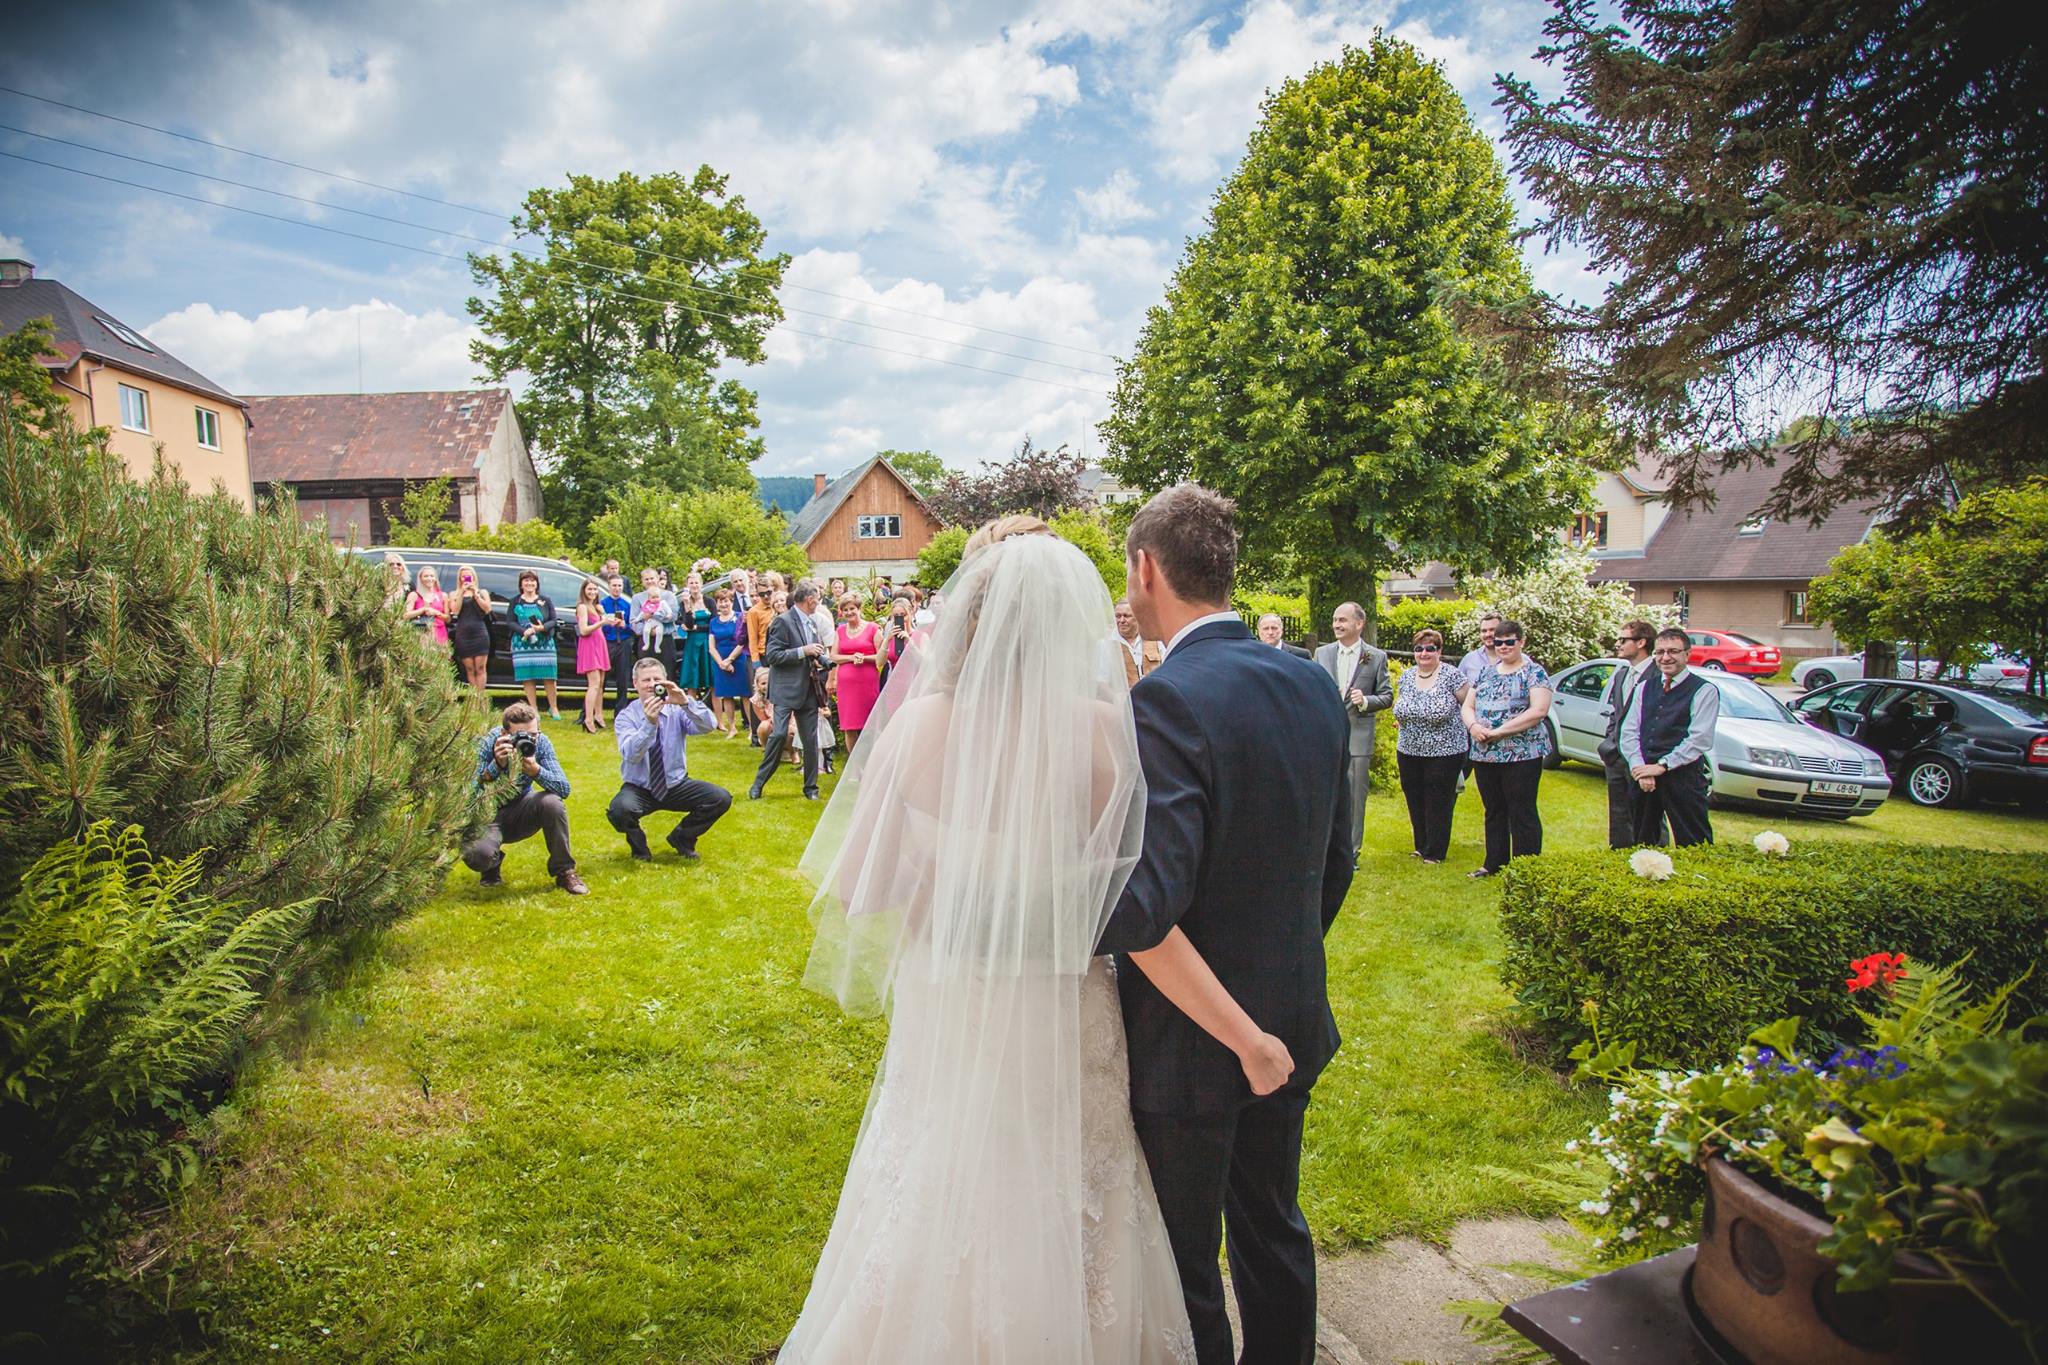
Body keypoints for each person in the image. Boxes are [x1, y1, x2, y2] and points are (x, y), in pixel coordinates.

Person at [787, 515, 1297, 1362]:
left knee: (940, 1173)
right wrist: (1248, 1038)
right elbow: (1139, 923)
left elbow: (859, 886)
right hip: (1063, 1008)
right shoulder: (1101, 733)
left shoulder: (914, 725)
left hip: (951, 998)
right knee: (1067, 1184)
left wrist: (949, 902)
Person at [1094, 484, 1354, 1364]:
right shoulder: (1312, 682)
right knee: (1274, 1224)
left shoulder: (1166, 700)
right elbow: (1338, 858)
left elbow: (1146, 905)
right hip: (1292, 1011)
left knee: (1185, 1259)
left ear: (1145, 568)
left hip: (1191, 1041)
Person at [607, 657, 732, 862]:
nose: (652, 684)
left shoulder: (676, 709)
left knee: (720, 798)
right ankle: (639, 849)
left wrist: (686, 702)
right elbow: (631, 754)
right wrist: (649, 723)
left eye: (657, 679)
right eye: (646, 680)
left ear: (666, 681)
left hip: (675, 784)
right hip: (640, 787)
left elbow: (708, 726)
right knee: (619, 810)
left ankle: (682, 838)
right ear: (635, 684)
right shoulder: (626, 716)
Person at [461, 702, 587, 895]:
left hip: (522, 808)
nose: (527, 740)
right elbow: (467, 796)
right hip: (486, 813)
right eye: (520, 736)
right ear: (504, 733)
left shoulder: (541, 743)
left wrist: (537, 771)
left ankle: (565, 871)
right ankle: (491, 863)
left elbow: (564, 789)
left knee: (552, 803)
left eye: (532, 735)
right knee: (478, 857)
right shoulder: (488, 743)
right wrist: (496, 765)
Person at [1461, 619, 1552, 877]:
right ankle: (1494, 863)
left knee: (1522, 809)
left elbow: (1539, 710)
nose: (1503, 647)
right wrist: (1473, 726)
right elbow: (1468, 705)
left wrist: (1499, 732)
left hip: (1521, 754)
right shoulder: (1486, 672)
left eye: (1509, 642)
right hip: (1485, 754)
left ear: (1521, 642)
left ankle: (1525, 867)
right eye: (1498, 642)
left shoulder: (1534, 672)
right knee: (1494, 809)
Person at [1623, 626, 1721, 848]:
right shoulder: (1644, 688)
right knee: (1642, 844)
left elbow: (1699, 739)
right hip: (1644, 777)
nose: (1665, 657)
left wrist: (1662, 766)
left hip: (1683, 778)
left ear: (1687, 654)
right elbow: (1629, 732)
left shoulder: (1704, 690)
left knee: (1694, 844)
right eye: (1660, 652)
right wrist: (1640, 768)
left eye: (1673, 651)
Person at [1313, 602, 1392, 862]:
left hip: (1358, 735)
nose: (1336, 625)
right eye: (1335, 620)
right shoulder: (1322, 653)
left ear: (1359, 624)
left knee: (1356, 797)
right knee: (1324, 794)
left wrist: (1366, 700)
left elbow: (1387, 696)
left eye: (1343, 620)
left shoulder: (1375, 656)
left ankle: (1351, 852)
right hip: (1327, 736)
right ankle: (1325, 849)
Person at [1391, 628, 1469, 863]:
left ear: (1439, 651)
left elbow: (1469, 706)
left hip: (1445, 750)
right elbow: (1401, 705)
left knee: (1438, 799)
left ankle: (1435, 851)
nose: (1424, 653)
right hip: (1409, 749)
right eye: (1419, 649)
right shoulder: (1407, 676)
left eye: (1430, 649)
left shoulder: (1452, 676)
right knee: (1414, 797)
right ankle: (1421, 845)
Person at [750, 581, 833, 801]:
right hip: (786, 689)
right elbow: (773, 656)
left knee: (810, 739)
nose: (818, 603)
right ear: (809, 600)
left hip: (808, 688)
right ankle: (758, 783)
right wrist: (803, 651)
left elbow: (811, 651)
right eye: (817, 599)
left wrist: (821, 659)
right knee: (778, 734)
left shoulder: (812, 622)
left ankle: (811, 788)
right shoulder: (782, 621)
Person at [1598, 621, 1661, 848]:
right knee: (1619, 815)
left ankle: (1651, 858)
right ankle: (1619, 855)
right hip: (1615, 755)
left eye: (1623, 639)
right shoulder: (1622, 674)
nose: (1618, 644)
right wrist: (1610, 740)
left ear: (1641, 642)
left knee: (1648, 817)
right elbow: (1617, 713)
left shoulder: (1658, 675)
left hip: (1644, 759)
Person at [829, 592, 883, 755]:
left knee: (870, 724)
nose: (849, 612)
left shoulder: (873, 629)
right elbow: (834, 656)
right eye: (845, 610)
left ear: (859, 609)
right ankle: (854, 763)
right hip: (846, 686)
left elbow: (881, 657)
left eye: (852, 608)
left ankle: (873, 760)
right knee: (849, 725)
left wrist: (864, 658)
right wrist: (851, 657)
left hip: (867, 682)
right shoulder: (840, 630)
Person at [508, 570, 561, 721]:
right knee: (528, 676)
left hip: (544, 642)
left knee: (549, 676)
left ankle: (553, 707)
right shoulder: (515, 601)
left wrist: (542, 628)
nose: (529, 583)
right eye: (526, 580)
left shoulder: (545, 600)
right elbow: (510, 621)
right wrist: (524, 631)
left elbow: (553, 620)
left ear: (537, 583)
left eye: (532, 580)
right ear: (521, 584)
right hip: (523, 644)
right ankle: (534, 708)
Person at [706, 587, 752, 738]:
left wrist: (730, 659)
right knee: (726, 695)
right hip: (720, 661)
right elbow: (711, 646)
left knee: (745, 695)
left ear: (731, 602)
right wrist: (721, 663)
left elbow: (743, 641)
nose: (723, 604)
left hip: (739, 659)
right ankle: (732, 727)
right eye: (720, 601)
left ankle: (752, 729)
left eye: (726, 601)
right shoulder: (713, 622)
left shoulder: (740, 617)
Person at [806, 583, 842, 774]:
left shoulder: (822, 617)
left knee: (824, 713)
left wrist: (831, 678)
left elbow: (831, 650)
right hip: (805, 673)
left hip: (821, 671)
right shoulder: (798, 618)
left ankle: (828, 759)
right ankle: (811, 759)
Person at [573, 579, 613, 732]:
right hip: (589, 646)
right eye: (589, 589)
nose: (593, 592)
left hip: (599, 645)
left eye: (595, 589)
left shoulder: (596, 607)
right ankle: (588, 719)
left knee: (600, 684)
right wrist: (601, 623)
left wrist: (605, 618)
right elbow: (583, 630)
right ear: (583, 590)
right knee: (594, 684)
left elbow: (603, 623)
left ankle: (598, 715)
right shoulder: (582, 607)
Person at [449, 564, 493, 692]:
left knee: (480, 668)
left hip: (479, 633)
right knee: (470, 668)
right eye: (463, 576)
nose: (466, 579)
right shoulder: (454, 594)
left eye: (469, 576)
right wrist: (461, 593)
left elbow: (487, 609)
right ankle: (474, 696)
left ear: (474, 577)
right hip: (463, 634)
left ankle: (480, 697)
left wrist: (476, 594)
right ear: (459, 578)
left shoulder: (482, 592)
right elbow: (455, 611)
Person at [599, 573, 636, 713]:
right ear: (609, 586)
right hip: (607, 643)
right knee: (601, 679)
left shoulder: (627, 605)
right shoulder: (603, 604)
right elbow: (598, 625)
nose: (617, 588)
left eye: (619, 585)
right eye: (614, 585)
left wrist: (625, 625)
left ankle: (620, 712)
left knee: (623, 679)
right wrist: (607, 624)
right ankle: (592, 712)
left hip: (624, 642)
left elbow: (634, 627)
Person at [675, 572, 713, 697]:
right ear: (687, 586)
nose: (694, 585)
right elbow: (689, 624)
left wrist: (698, 628)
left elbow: (714, 623)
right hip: (692, 643)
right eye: (691, 583)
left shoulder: (709, 601)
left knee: (711, 680)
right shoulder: (683, 603)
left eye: (696, 582)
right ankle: (691, 706)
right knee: (692, 678)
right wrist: (687, 606)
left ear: (701, 584)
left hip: (707, 642)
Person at [1114, 597, 1164, 687]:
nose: (1121, 620)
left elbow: (1168, 667)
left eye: (1126, 616)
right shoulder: (1107, 645)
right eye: (1118, 616)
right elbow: (1102, 682)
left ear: (1137, 617)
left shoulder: (1155, 640)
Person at [405, 566, 451, 651]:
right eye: (426, 576)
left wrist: (436, 613)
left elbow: (448, 619)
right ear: (420, 578)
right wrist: (422, 610)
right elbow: (405, 615)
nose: (429, 578)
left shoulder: (443, 595)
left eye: (432, 576)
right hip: (421, 633)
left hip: (440, 632)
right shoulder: (414, 595)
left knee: (441, 657)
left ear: (435, 578)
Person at [1458, 612, 1503, 685]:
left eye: (1492, 630)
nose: (1488, 634)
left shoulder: (1518, 659)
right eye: (1484, 631)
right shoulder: (1469, 659)